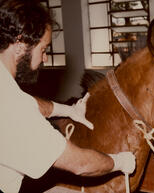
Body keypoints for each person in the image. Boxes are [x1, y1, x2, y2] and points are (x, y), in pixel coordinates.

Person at [0, 0, 135, 192]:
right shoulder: (16, 109)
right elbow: (80, 164)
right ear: (20, 44)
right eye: (43, 49)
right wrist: (120, 161)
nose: (44, 58)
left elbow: (28, 102)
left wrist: (69, 110)